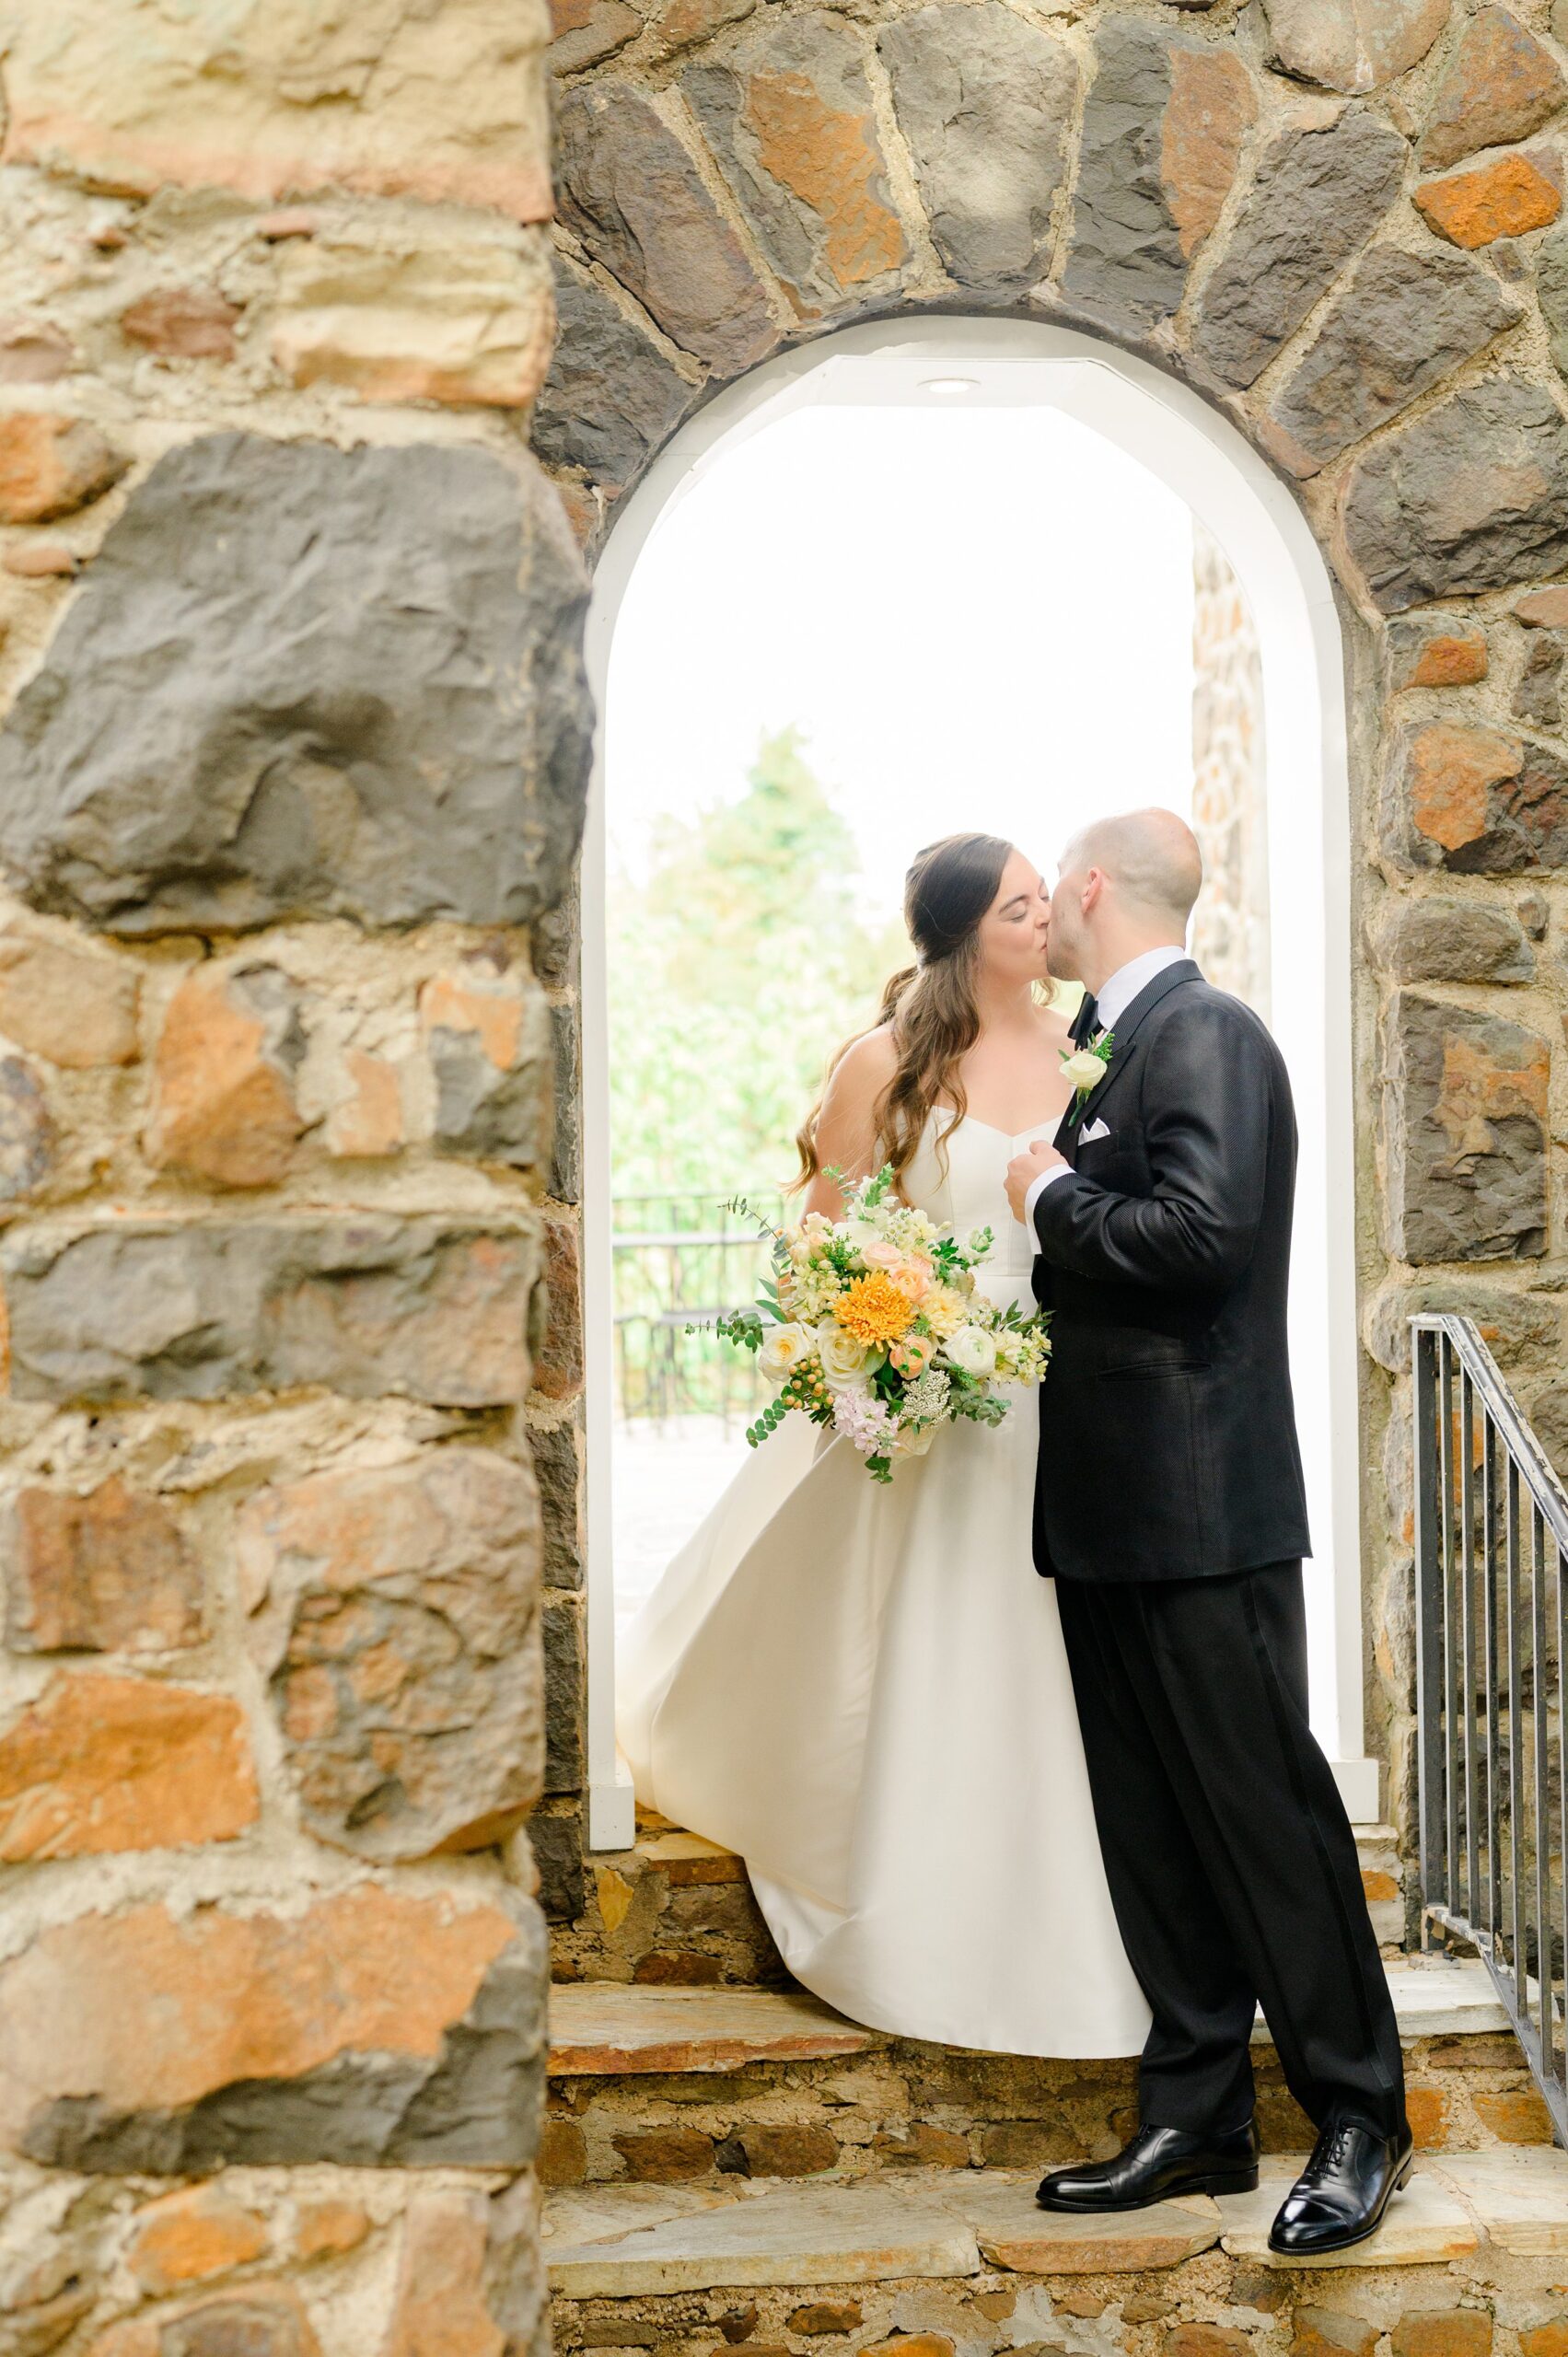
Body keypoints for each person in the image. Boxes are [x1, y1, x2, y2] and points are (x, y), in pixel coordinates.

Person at [618, 832, 1149, 2058]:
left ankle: (1090, 1924)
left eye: (1042, 902)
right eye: (1020, 905)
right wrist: (891, 1333)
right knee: (943, 1635)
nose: (1045, 919)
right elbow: (824, 1245)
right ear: (967, 931)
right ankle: (919, 1892)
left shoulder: (1092, 1053)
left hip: (1065, 1394)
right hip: (947, 1396)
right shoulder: (884, 1064)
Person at [1005, 808, 1410, 2258]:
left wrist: (1045, 1196)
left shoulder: (1208, 1033)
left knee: (1265, 1816)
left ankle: (1359, 2117)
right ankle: (1197, 2119)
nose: (1042, 912)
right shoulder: (1112, 1050)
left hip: (1202, 1505)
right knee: (1153, 1827)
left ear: (1098, 888)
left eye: (1056, 890)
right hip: (1106, 1510)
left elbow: (1200, 1240)